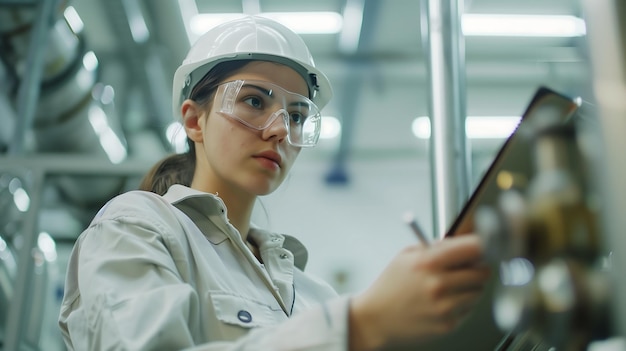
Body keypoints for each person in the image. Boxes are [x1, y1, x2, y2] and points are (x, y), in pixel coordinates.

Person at [58, 15, 490, 351]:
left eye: (297, 115)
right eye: (252, 101)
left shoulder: (313, 295)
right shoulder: (138, 228)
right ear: (193, 120)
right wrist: (361, 324)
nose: (280, 129)